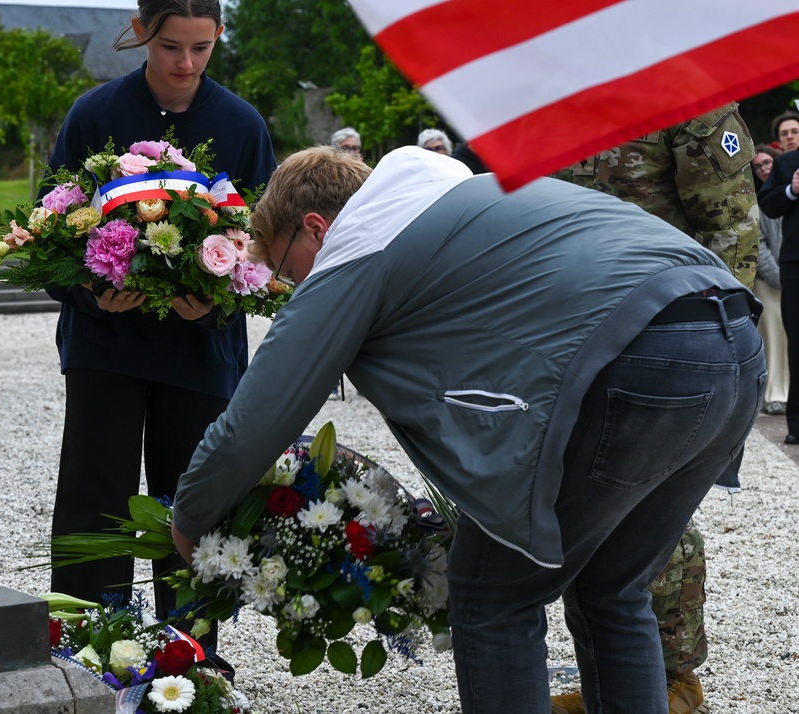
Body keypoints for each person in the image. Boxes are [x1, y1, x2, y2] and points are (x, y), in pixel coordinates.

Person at [171, 146, 764, 714]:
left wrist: (192, 520)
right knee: (614, 589)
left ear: (316, 228)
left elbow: (261, 413)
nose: (293, 285)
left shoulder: (361, 244)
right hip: (733, 340)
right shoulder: (460, 198)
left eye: (284, 267)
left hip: (641, 358)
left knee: (492, 595)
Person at [44, 0, 276, 647]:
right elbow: (46, 232)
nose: (186, 63)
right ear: (143, 32)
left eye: (201, 48)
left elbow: (266, 248)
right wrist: (91, 293)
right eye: (172, 46)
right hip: (105, 348)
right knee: (96, 506)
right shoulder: (95, 115)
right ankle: (91, 650)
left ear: (218, 38)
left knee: (194, 510)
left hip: (201, 354)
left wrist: (220, 304)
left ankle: (191, 659)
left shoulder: (241, 125)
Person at [552, 103, 759, 713]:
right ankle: (610, 683)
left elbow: (731, 229)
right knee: (583, 501)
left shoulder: (686, 93)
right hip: (573, 328)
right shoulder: (551, 89)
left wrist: (724, 342)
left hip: (670, 335)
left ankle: (672, 677)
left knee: (654, 511)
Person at [758, 125, 799, 444]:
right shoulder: (785, 165)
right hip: (794, 264)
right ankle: (796, 426)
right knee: (795, 342)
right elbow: (768, 203)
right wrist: (792, 191)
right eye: (785, 132)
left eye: (795, 130)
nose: (790, 136)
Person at [752, 144, 788, 415]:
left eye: (767, 163)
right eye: (758, 166)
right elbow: (759, 245)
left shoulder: (791, 192)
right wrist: (782, 276)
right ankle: (776, 394)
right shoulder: (756, 201)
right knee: (775, 331)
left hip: (793, 276)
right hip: (770, 280)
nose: (764, 168)